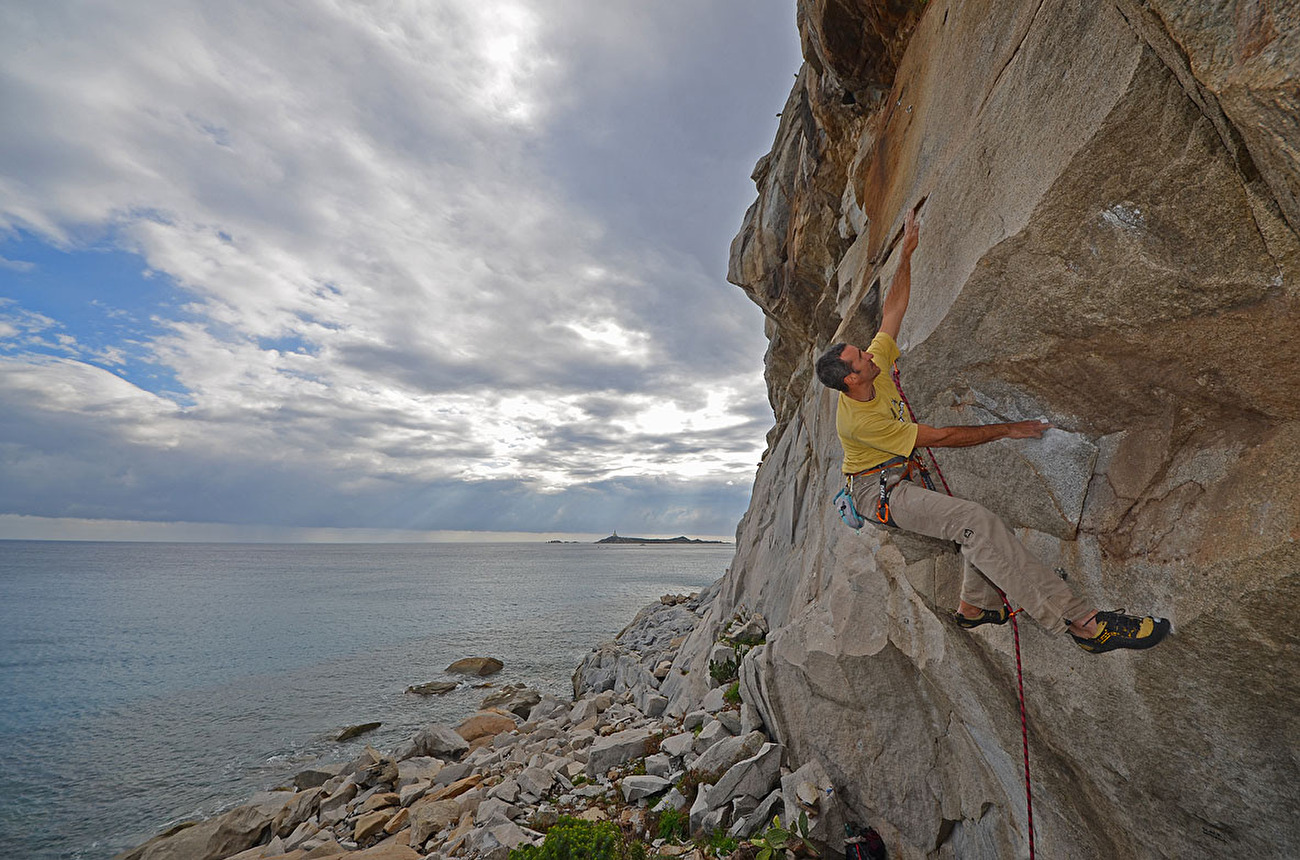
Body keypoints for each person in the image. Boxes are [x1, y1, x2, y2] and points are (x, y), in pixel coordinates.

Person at [815, 208, 1169, 654]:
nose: (869, 354)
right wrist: (1007, 429)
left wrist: (905, 253)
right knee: (972, 522)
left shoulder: (873, 368)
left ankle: (975, 607)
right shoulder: (860, 419)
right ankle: (1085, 624)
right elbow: (940, 438)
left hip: (896, 472)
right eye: (860, 358)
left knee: (975, 523)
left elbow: (893, 312)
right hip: (877, 491)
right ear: (852, 379)